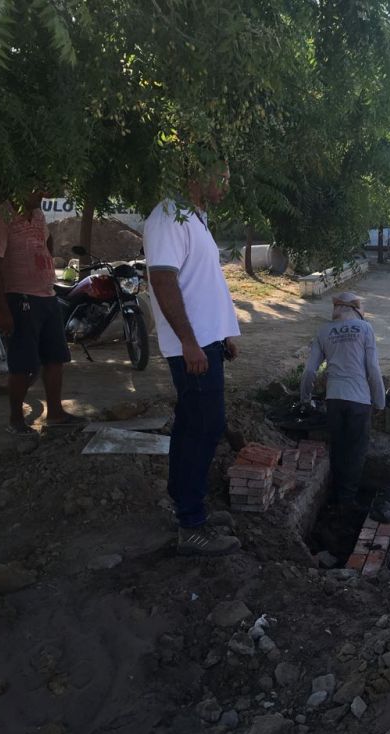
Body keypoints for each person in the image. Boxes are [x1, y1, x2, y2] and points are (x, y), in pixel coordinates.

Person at [144, 162, 241, 556]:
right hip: (193, 348)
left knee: (192, 425)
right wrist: (189, 341)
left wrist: (224, 332)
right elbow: (162, 280)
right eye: (221, 177)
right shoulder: (168, 216)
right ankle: (192, 526)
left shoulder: (195, 217)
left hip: (206, 342)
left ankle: (186, 505)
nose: (226, 186)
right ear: (195, 174)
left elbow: (204, 282)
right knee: (205, 426)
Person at [0, 190, 82, 435]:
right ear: (21, 185)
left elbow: (47, 240)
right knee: (23, 365)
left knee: (55, 359)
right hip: (20, 298)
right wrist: (2, 310)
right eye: (37, 187)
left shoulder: (38, 214)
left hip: (47, 296)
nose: (43, 193)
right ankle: (16, 421)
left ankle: (55, 414)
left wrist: (44, 260)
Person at [301, 292, 385, 509]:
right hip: (359, 400)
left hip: (334, 400)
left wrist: (305, 399)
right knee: (355, 452)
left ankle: (336, 497)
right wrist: (380, 401)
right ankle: (347, 503)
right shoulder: (365, 328)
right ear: (357, 310)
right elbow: (373, 368)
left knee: (338, 449)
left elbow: (309, 371)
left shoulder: (324, 331)